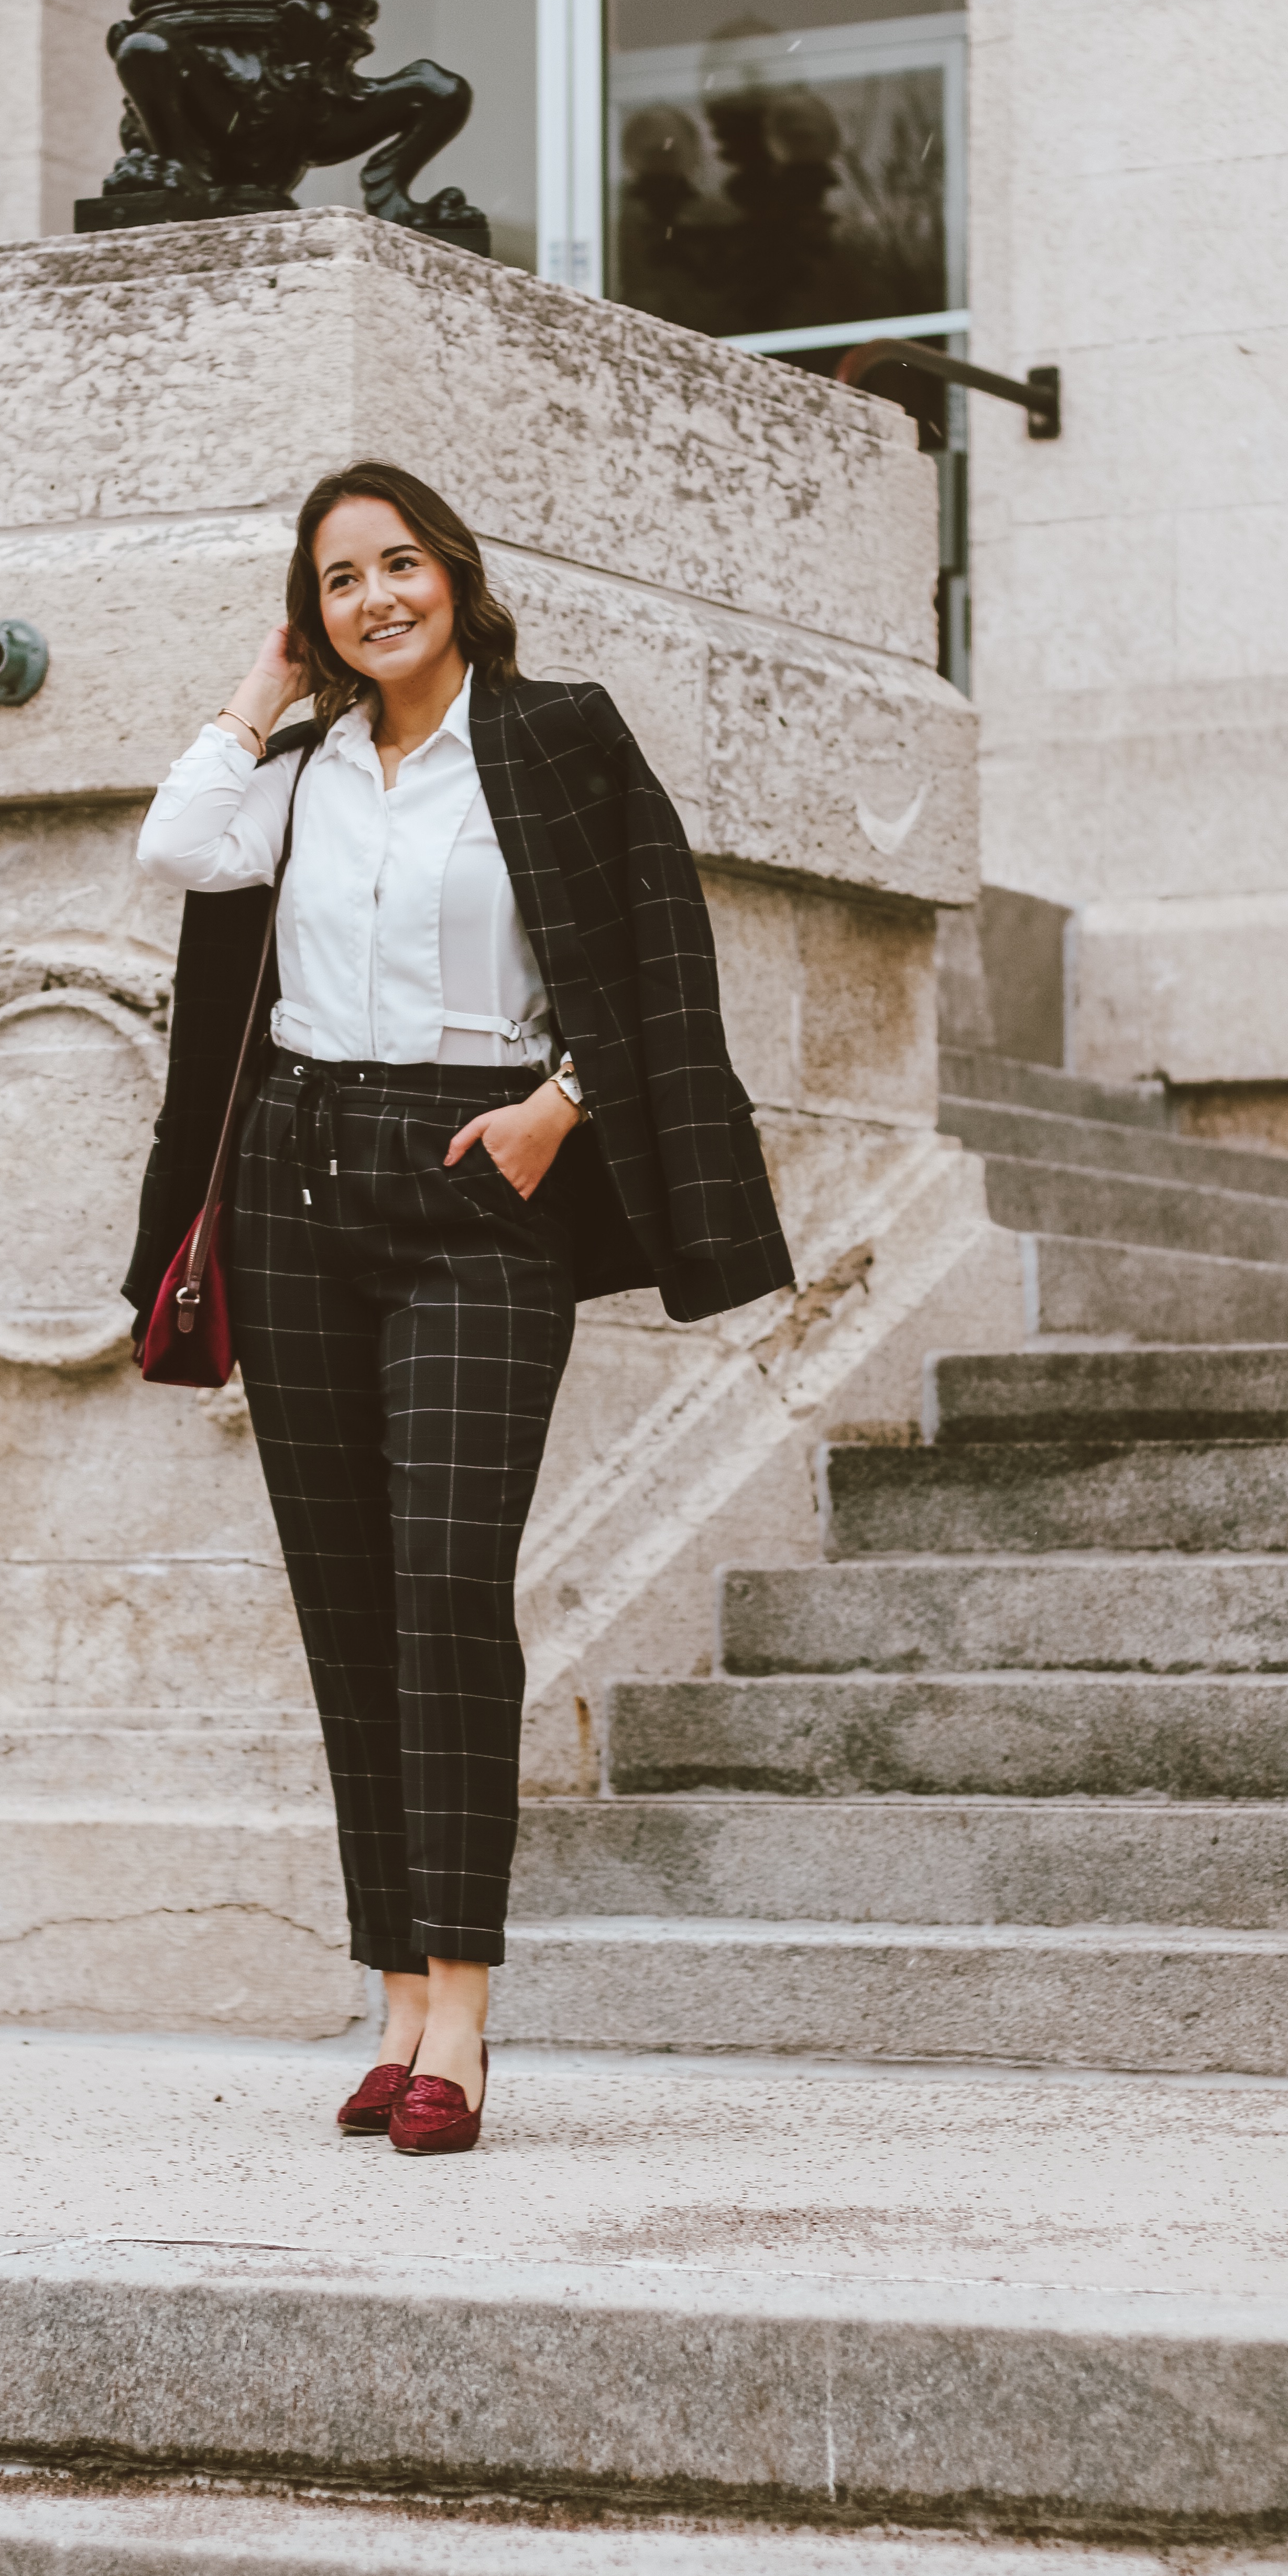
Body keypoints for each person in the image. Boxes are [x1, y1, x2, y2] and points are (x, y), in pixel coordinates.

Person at [127, 461, 792, 2155]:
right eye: (340, 581)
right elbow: (177, 847)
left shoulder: (558, 735)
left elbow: (656, 952)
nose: (376, 600)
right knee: (349, 1602)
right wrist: (264, 685)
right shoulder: (296, 770)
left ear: (456, 574)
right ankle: (397, 2004)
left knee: (444, 1585)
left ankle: (468, 2014)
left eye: (398, 565)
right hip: (294, 1179)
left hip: (476, 1175)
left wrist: (561, 1105)